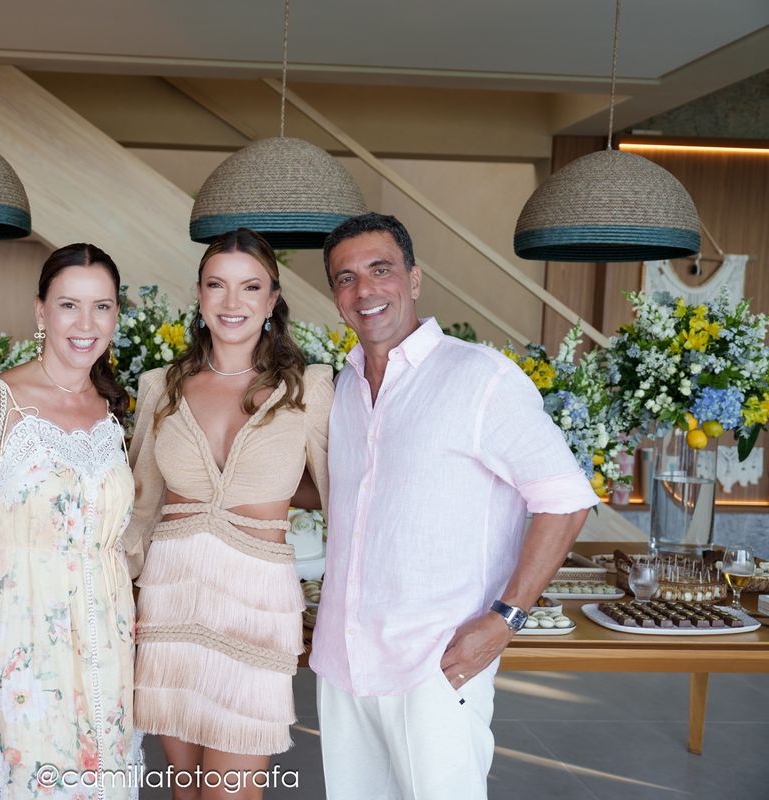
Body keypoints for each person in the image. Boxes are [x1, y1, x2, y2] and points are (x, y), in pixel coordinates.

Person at [310, 213, 596, 800]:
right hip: (345, 661)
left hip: (436, 664)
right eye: (346, 278)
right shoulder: (342, 387)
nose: (364, 290)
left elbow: (566, 501)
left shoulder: (480, 378)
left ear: (414, 280)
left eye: (381, 270)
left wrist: (506, 618)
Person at [0, 243, 141, 798]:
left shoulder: (111, 407)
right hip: (19, 642)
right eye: (69, 305)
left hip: (106, 642)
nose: (86, 324)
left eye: (102, 306)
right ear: (40, 310)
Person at [127, 228, 332, 798]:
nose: (232, 301)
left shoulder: (308, 388)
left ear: (272, 299)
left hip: (257, 606)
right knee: (185, 790)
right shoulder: (160, 388)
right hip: (171, 602)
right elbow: (141, 507)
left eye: (250, 287)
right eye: (217, 285)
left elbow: (340, 498)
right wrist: (118, 595)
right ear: (199, 295)